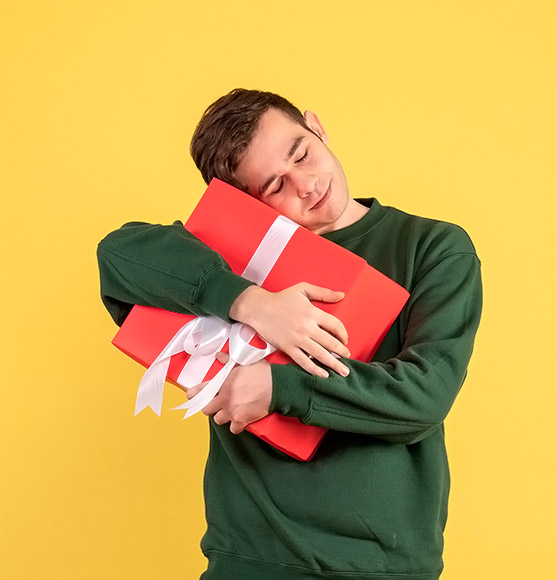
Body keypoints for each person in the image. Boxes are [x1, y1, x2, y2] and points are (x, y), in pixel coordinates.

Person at [97, 89, 483, 580]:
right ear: (244, 205)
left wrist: (276, 388)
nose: (305, 184)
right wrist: (252, 304)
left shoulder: (432, 247)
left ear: (317, 128)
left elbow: (424, 396)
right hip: (247, 558)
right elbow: (118, 256)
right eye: (275, 185)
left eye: (302, 153)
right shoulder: (236, 258)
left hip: (380, 565)